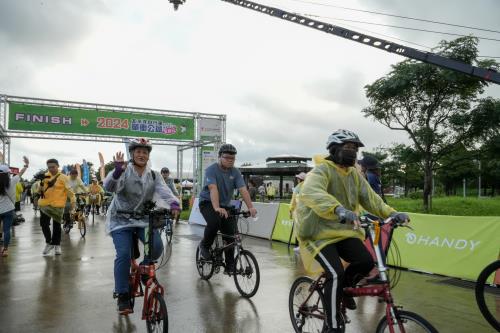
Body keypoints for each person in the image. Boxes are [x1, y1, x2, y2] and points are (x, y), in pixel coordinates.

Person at [295, 129, 409, 333]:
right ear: (334, 148)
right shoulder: (320, 171)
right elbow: (313, 192)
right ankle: (333, 325)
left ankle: (344, 293)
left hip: (344, 231)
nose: (353, 152)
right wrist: (338, 209)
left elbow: (371, 199)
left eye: (355, 149)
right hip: (317, 233)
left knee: (365, 262)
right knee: (335, 274)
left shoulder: (354, 175)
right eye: (348, 147)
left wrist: (393, 213)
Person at [104, 138, 179, 315]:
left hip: (143, 220)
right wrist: (116, 172)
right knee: (123, 255)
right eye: (138, 151)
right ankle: (122, 294)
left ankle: (145, 269)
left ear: (148, 155)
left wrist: (174, 205)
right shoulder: (123, 170)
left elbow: (164, 192)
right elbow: (109, 187)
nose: (141, 154)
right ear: (132, 154)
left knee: (157, 247)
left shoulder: (154, 175)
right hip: (120, 220)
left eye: (145, 152)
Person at [197, 143, 257, 274]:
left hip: (225, 205)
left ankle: (230, 266)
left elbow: (243, 190)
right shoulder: (211, 170)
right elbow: (213, 189)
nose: (230, 160)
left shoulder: (235, 172)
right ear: (220, 157)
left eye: (233, 158)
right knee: (214, 222)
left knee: (231, 234)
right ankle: (205, 246)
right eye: (227, 157)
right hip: (207, 202)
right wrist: (217, 207)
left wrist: (251, 207)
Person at [38, 159, 76, 256]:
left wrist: (73, 202)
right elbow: (40, 192)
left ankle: (57, 245)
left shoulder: (64, 178)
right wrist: (41, 182)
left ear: (58, 166)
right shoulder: (45, 176)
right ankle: (49, 242)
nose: (51, 169)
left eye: (53, 167)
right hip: (45, 204)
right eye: (49, 167)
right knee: (44, 224)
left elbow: (70, 191)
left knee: (57, 226)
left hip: (58, 205)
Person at [0, 157, 29, 257]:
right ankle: (5, 249)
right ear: (8, 174)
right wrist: (26, 165)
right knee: (7, 230)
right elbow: (21, 173)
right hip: (9, 210)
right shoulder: (12, 182)